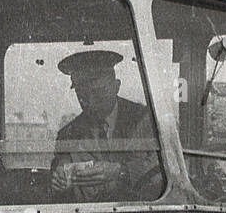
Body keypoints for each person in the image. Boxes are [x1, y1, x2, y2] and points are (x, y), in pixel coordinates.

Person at [51, 49, 162, 201]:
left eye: (98, 92)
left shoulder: (145, 121)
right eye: (82, 95)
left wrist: (120, 172)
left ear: (117, 86)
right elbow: (59, 176)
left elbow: (164, 169)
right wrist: (59, 179)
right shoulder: (68, 134)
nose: (90, 102)